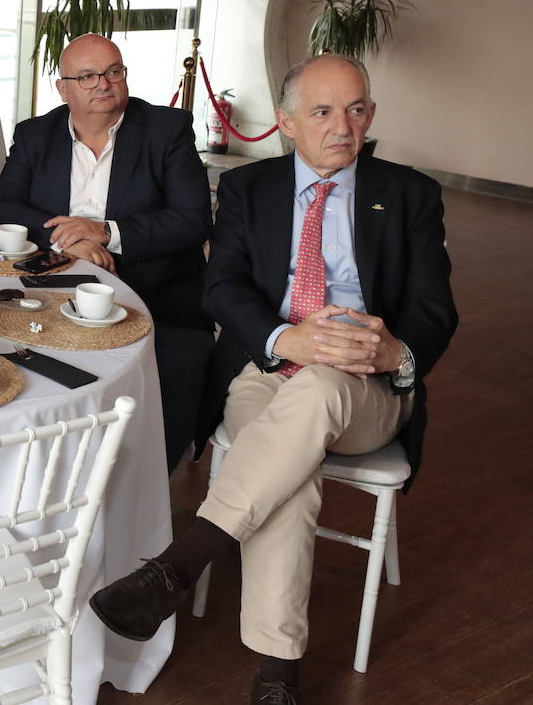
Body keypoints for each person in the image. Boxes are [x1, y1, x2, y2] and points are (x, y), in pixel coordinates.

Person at [90, 54, 458, 704]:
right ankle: (276, 677)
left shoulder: (408, 194)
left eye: (356, 108)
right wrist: (286, 337)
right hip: (268, 367)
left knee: (315, 396)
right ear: (286, 122)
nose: (342, 126)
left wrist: (392, 353)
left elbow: (434, 310)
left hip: (363, 388)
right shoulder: (248, 189)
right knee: (289, 467)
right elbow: (221, 287)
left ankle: (182, 563)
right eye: (322, 111)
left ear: (370, 114)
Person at [0, 33, 213, 471]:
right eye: (87, 76)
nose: (103, 84)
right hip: (52, 283)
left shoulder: (166, 130)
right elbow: (1, 207)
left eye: (113, 71)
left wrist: (106, 232)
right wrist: (74, 241)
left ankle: (142, 482)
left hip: (155, 291)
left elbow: (194, 219)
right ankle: (47, 469)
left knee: (180, 365)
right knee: (11, 357)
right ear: (63, 87)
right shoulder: (36, 134)